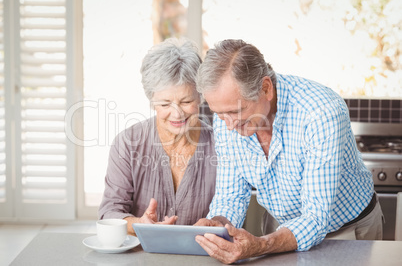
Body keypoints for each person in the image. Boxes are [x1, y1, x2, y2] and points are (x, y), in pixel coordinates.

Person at [194, 39, 383, 264]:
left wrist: (260, 245)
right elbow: (230, 195)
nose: (228, 125)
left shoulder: (321, 112)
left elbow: (315, 217)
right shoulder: (227, 116)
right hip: (278, 229)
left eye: (235, 112)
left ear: (266, 88)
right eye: (219, 114)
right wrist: (218, 224)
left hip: (345, 232)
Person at [98, 38, 216, 235]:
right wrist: (139, 224)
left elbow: (233, 210)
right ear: (152, 101)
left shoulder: (221, 144)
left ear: (200, 96)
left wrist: (216, 223)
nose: (177, 113)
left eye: (186, 101)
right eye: (165, 104)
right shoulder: (128, 143)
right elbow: (109, 213)